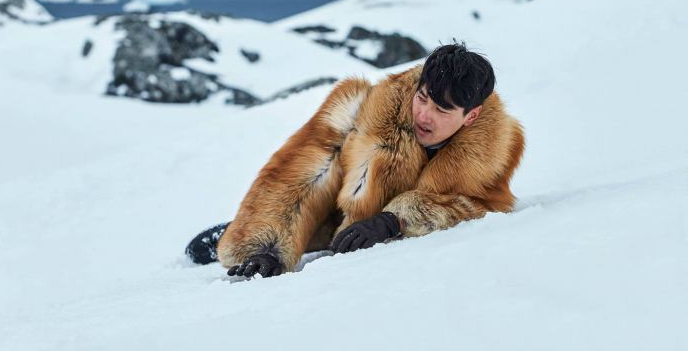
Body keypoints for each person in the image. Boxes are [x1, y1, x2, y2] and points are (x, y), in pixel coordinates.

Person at [185, 43, 525, 278]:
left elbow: (482, 207)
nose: (424, 115)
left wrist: (397, 220)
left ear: (471, 116)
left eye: (441, 111)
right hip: (329, 213)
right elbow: (299, 174)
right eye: (422, 99)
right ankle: (241, 230)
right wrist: (266, 245)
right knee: (318, 173)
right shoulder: (361, 106)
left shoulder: (494, 146)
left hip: (376, 226)